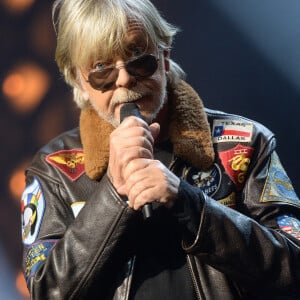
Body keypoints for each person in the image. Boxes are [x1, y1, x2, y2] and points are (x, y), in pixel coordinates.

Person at [21, 0, 300, 299]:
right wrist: (115, 194)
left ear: (164, 55)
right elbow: (47, 291)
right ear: (79, 79)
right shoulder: (54, 169)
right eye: (101, 68)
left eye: (138, 56)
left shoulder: (245, 142)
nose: (125, 78)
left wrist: (188, 203)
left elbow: (293, 268)